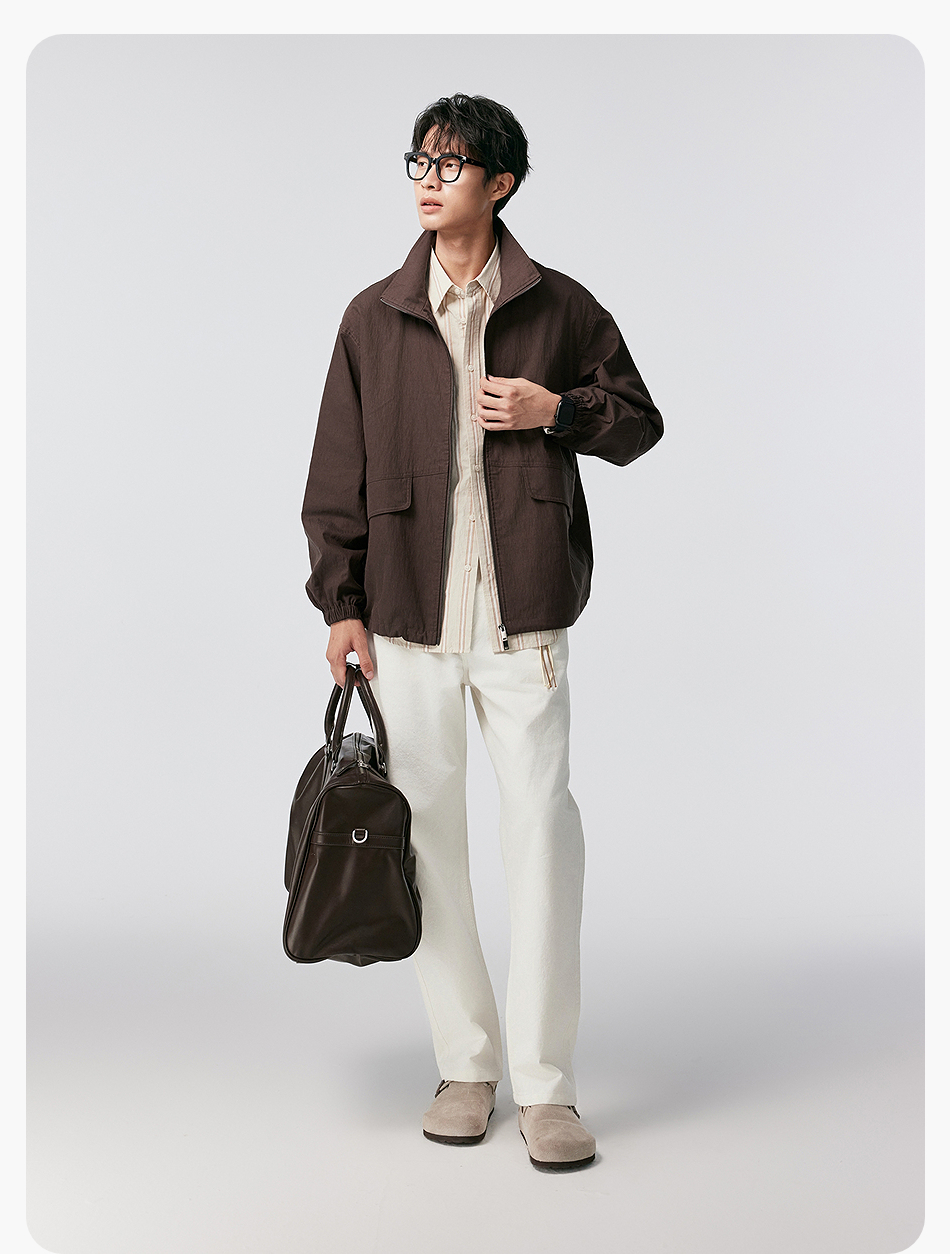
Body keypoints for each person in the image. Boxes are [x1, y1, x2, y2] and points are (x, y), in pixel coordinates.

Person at [301, 93, 663, 1171]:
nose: (427, 179)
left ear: (499, 183)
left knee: (542, 836)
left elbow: (639, 423)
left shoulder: (558, 306)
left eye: (449, 164)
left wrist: (558, 411)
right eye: (418, 160)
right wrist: (341, 602)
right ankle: (466, 1065)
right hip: (407, 620)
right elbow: (335, 473)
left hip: (525, 617)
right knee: (426, 839)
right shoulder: (373, 316)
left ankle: (547, 1087)